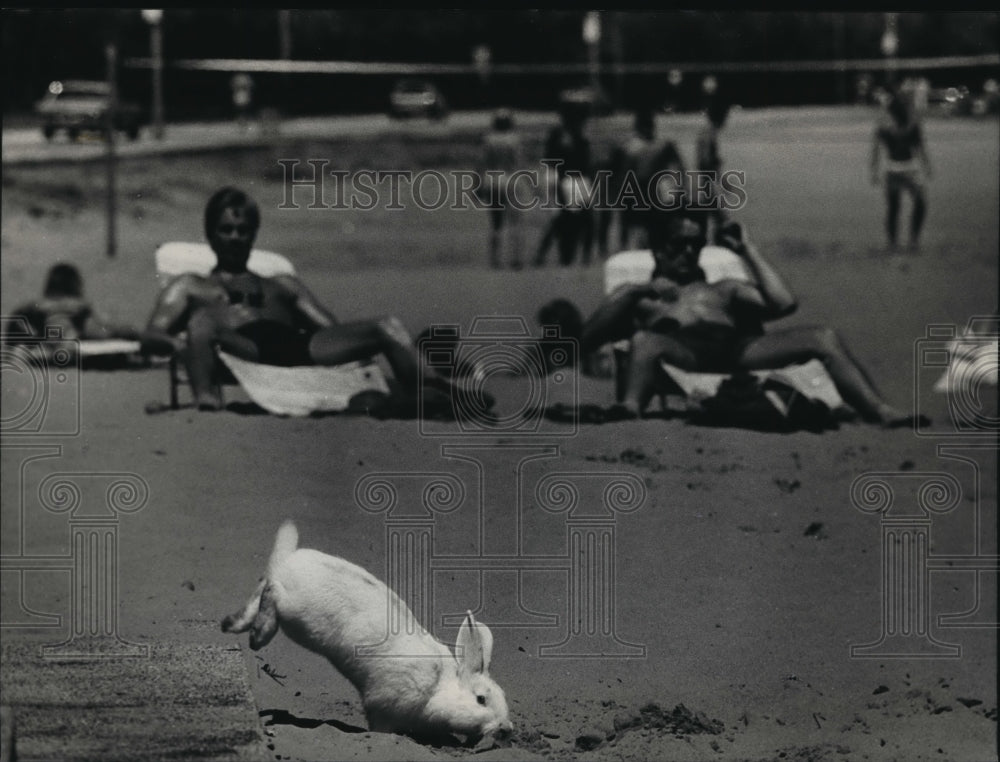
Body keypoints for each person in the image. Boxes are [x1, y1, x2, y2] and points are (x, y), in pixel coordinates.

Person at [141, 187, 490, 414]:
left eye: (243, 230)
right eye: (226, 230)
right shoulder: (190, 286)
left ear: (254, 234)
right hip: (245, 349)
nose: (234, 238)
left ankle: (429, 392)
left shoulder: (283, 285)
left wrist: (363, 350)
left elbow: (332, 330)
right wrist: (182, 345)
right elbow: (151, 336)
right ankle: (207, 402)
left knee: (386, 326)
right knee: (201, 322)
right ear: (209, 234)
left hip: (299, 347)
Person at [581, 214, 927, 428]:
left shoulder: (724, 289)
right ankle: (629, 408)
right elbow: (588, 337)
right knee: (645, 341)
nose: (688, 252)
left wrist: (747, 250)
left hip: (739, 353)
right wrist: (642, 288)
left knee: (822, 337)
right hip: (684, 356)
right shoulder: (641, 297)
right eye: (678, 245)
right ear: (658, 250)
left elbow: (784, 303)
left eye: (695, 244)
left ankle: (879, 411)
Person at [7, 262, 139, 348]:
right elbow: (102, 326)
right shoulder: (77, 305)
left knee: (62, 330)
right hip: (65, 334)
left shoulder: (36, 304)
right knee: (99, 330)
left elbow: (16, 321)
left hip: (42, 332)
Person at [533, 95, 594, 267]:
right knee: (569, 220)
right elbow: (552, 161)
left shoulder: (576, 132)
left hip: (578, 180)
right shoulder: (562, 134)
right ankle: (556, 255)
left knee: (580, 220)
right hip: (569, 181)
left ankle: (581, 257)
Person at [870, 89, 932, 250]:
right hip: (904, 168)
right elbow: (921, 147)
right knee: (912, 205)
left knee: (897, 207)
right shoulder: (907, 126)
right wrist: (926, 166)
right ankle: (906, 241)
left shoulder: (891, 126)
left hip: (898, 168)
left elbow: (876, 150)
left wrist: (874, 170)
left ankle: (899, 242)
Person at [479, 108, 527, 269]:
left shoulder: (488, 139)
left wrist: (476, 185)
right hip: (510, 180)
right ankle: (516, 259)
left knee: (496, 223)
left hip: (492, 180)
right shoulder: (515, 140)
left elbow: (482, 164)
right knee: (515, 222)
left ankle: (495, 260)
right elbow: (519, 163)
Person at [692, 92, 732, 241]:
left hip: (705, 182)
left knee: (711, 220)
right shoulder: (709, 132)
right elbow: (705, 161)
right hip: (707, 183)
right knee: (720, 220)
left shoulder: (707, 130)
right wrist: (718, 181)